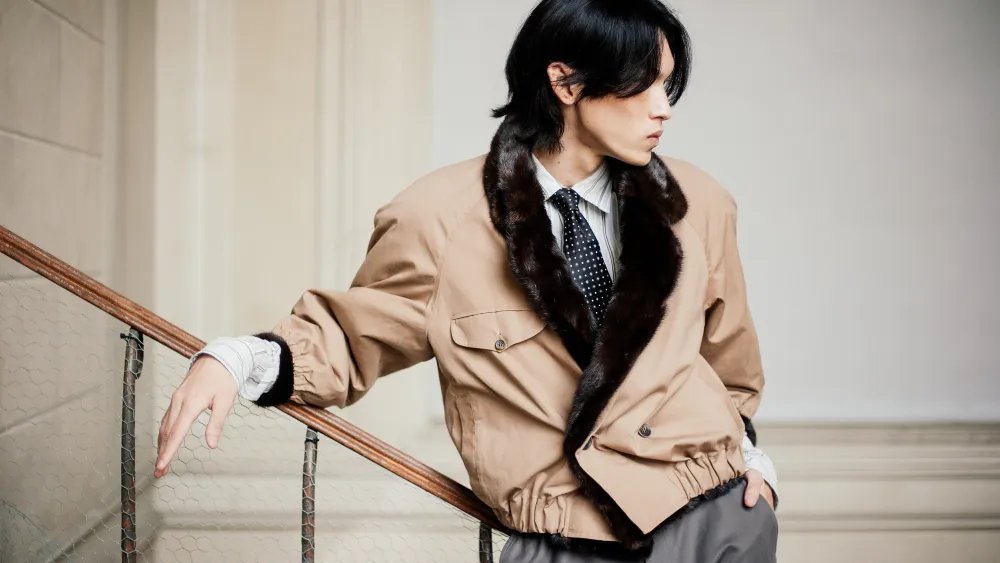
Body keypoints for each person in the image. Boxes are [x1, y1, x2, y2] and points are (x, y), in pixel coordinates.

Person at [154, 0, 779, 560]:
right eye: (644, 85)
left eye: (668, 84)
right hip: (564, 538)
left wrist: (751, 463)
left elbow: (728, 362)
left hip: (718, 518)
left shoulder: (699, 203)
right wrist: (236, 359)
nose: (663, 108)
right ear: (565, 81)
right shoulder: (438, 218)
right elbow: (351, 337)